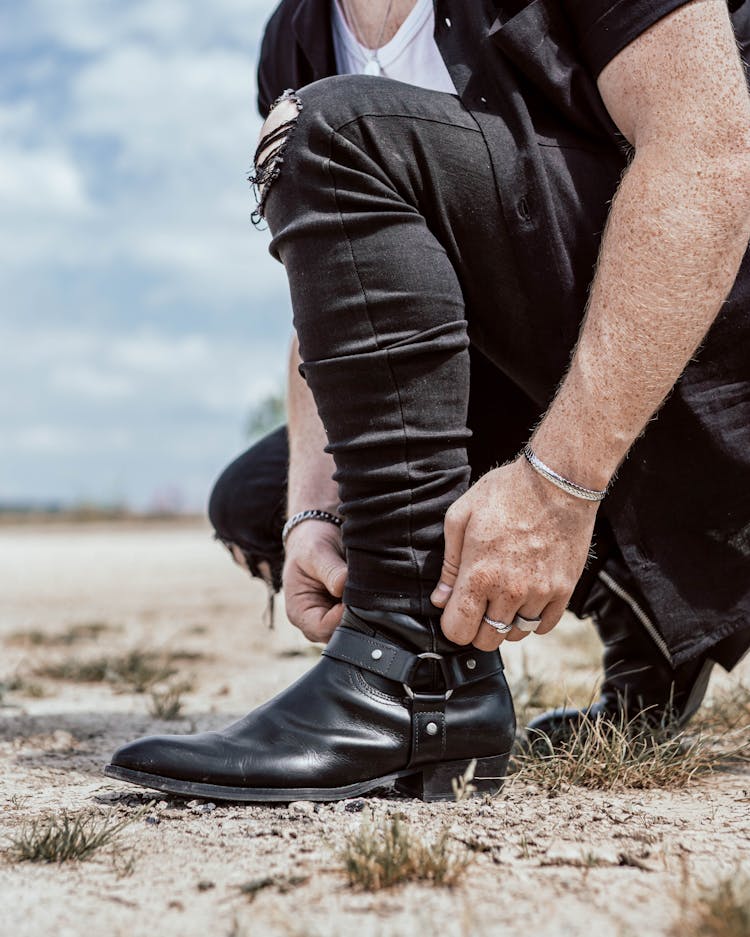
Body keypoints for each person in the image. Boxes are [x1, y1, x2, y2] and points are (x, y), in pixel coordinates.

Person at [105, 0, 750, 803]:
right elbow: (340, 289)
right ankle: (646, 633)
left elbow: (710, 158)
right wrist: (311, 510)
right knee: (260, 502)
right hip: (538, 354)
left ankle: (411, 673)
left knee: (332, 131)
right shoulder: (296, 37)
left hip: (706, 340)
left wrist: (558, 485)